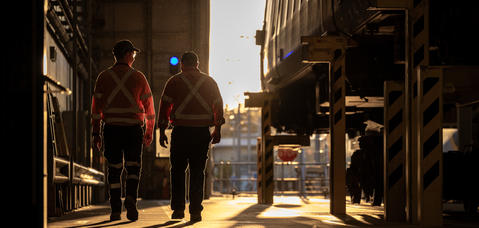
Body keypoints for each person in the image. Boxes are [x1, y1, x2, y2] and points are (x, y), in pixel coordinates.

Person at [91, 39, 155, 221]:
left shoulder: (103, 77)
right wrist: (149, 130)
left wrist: (96, 133)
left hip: (111, 130)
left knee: (114, 169)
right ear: (127, 54)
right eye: (133, 54)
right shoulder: (139, 77)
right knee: (133, 167)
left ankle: (115, 210)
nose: (134, 57)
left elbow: (96, 110)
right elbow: (149, 108)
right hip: (133, 130)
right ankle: (131, 199)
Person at [157, 51, 225, 222]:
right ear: (197, 64)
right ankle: (195, 211)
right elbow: (218, 105)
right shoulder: (209, 82)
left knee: (178, 171)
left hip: (180, 132)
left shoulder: (174, 81)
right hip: (201, 132)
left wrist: (163, 130)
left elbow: (164, 106)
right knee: (197, 171)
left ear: (181, 64)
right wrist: (217, 129)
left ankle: (178, 209)